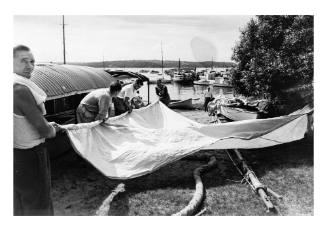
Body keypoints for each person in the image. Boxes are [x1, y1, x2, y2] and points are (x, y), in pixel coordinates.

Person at [13, 45, 63, 215]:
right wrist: (53, 129)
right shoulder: (19, 89)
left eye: (32, 61)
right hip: (30, 155)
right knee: (39, 204)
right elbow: (44, 131)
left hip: (14, 154)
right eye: (23, 61)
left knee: (18, 204)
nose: (30, 66)